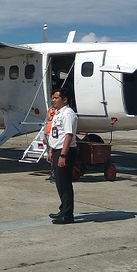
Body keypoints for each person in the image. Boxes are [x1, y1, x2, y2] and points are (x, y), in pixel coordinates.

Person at [47, 88, 78, 224]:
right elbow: (56, 134)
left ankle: (67, 215)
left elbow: (68, 135)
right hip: (56, 150)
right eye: (52, 98)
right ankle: (63, 209)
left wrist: (63, 155)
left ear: (65, 100)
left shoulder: (68, 114)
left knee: (64, 184)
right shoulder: (58, 113)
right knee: (59, 183)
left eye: (56, 98)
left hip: (64, 151)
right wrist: (51, 150)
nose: (53, 100)